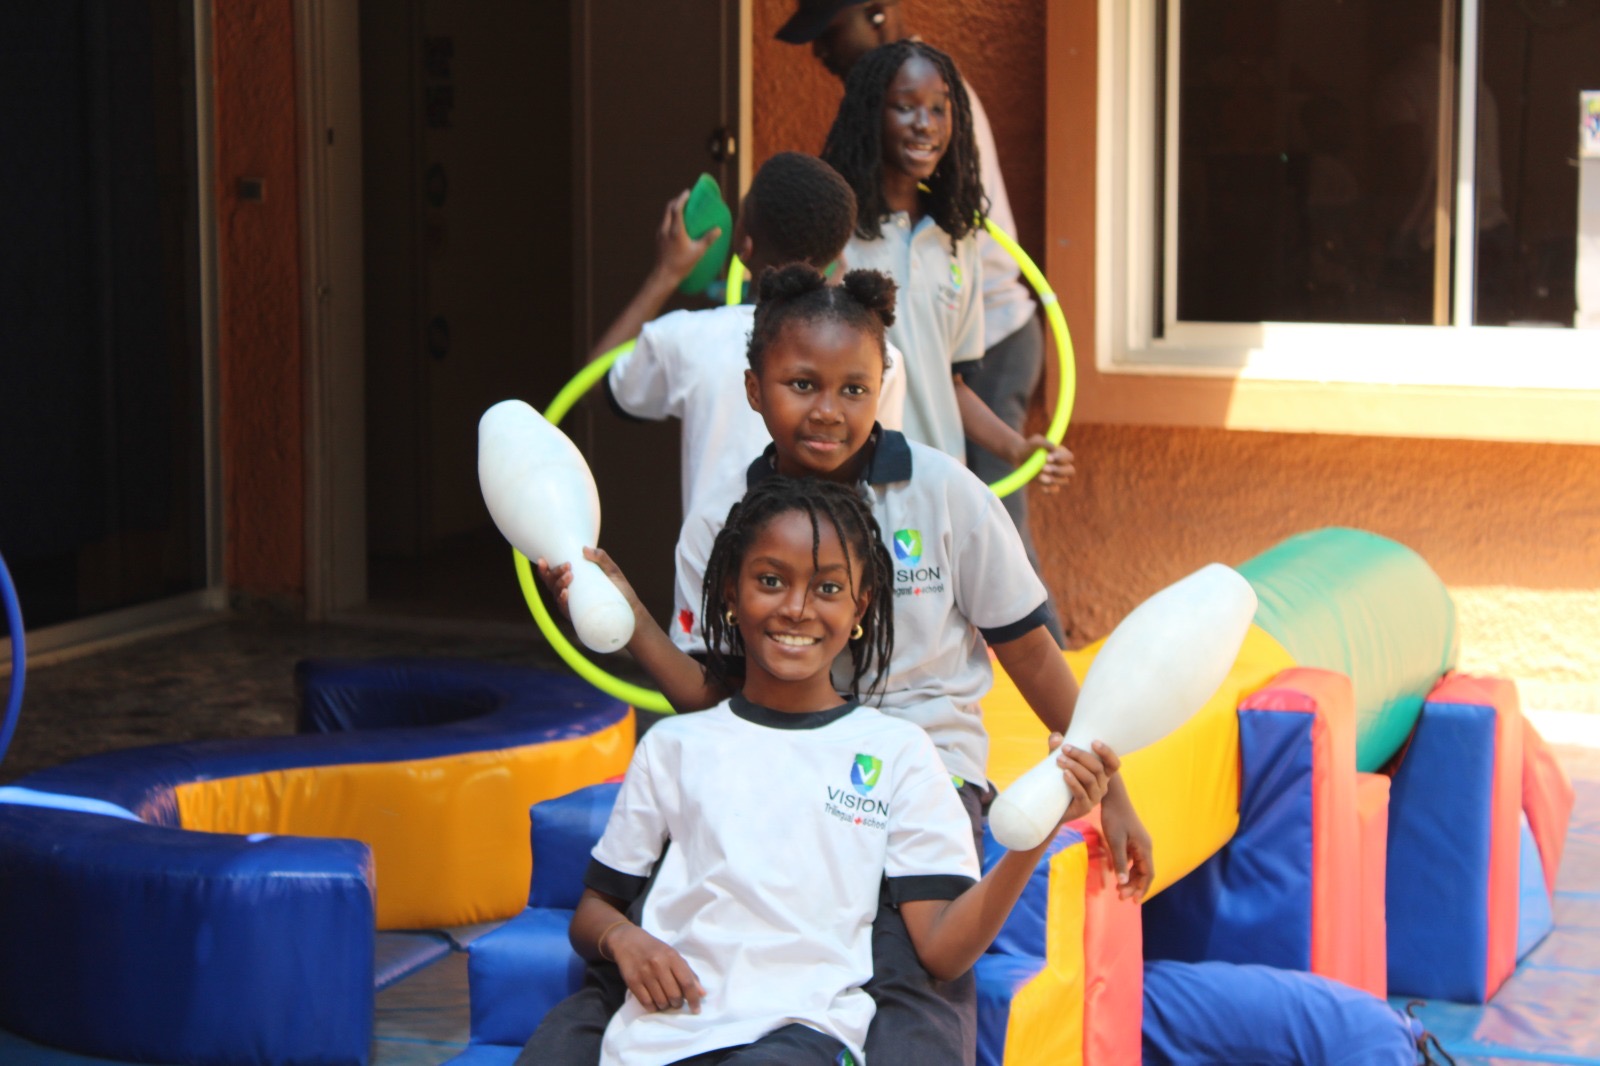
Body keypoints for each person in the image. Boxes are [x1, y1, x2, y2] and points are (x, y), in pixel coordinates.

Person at [550, 264, 1153, 1066]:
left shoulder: (946, 492)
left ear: (883, 386)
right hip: (770, 759)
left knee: (910, 984)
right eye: (803, 385)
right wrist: (630, 623)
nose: (829, 411)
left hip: (921, 771)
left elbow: (1031, 654)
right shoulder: (722, 517)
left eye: (854, 389)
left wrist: (1112, 794)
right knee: (645, 945)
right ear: (755, 389)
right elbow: (715, 695)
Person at [524, 475, 1116, 1065]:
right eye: (770, 580)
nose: (796, 608)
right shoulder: (674, 746)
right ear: (730, 592)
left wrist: (1034, 834)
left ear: (861, 605)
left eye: (828, 587)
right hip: (654, 1038)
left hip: (800, 1037)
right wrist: (622, 938)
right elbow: (595, 908)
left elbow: (942, 950)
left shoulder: (901, 753)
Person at [782, 1, 1067, 646]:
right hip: (862, 480)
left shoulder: (957, 240)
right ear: (869, 116)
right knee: (870, 628)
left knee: (972, 598)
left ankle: (1056, 692)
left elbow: (952, 383)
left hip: (940, 471)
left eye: (938, 110)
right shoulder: (841, 238)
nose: (925, 123)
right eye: (905, 108)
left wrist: (1015, 447)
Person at [594, 151, 905, 517]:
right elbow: (881, 487)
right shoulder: (878, 358)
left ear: (743, 244)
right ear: (839, 255)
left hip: (712, 555)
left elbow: (596, 385)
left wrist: (666, 273)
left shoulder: (688, 338)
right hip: (837, 552)